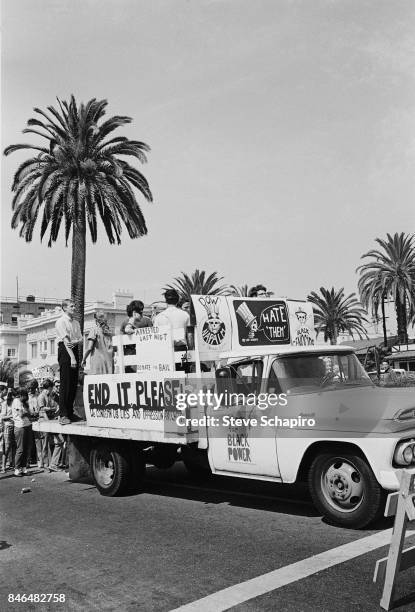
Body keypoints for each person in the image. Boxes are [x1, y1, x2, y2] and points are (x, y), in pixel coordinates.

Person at [55, 299, 83, 425]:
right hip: (65, 351)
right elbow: (66, 341)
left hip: (74, 349)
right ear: (64, 308)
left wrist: (75, 342)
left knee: (73, 383)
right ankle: (63, 414)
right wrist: (72, 357)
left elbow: (80, 339)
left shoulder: (76, 323)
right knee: (65, 383)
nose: (74, 308)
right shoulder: (61, 321)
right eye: (71, 306)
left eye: (74, 306)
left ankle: (70, 412)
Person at [12, 387, 34, 476]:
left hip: (27, 425)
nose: (26, 397)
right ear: (21, 395)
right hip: (20, 426)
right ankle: (17, 469)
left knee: (26, 448)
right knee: (20, 449)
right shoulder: (17, 401)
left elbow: (28, 413)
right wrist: (27, 413)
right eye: (25, 395)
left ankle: (24, 467)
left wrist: (27, 413)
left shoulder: (24, 403)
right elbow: (21, 414)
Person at [1, 389, 16, 472]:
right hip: (8, 426)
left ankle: (13, 464)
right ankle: (3, 466)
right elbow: (2, 417)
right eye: (10, 394)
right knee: (6, 447)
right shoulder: (4, 404)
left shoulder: (15, 403)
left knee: (14, 446)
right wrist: (12, 416)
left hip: (16, 426)